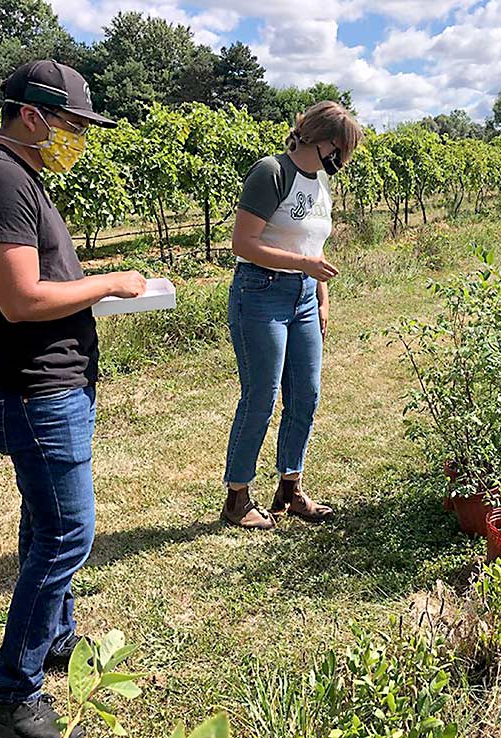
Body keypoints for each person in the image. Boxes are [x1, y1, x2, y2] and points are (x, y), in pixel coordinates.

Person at [0, 60, 146, 737]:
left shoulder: (16, 176)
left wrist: (88, 286)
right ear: (31, 114)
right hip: (37, 392)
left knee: (43, 522)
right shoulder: (0, 178)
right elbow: (21, 298)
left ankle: (54, 636)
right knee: (67, 534)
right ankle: (12, 696)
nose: (77, 137)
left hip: (44, 386)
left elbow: (38, 282)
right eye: (71, 124)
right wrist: (109, 282)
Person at [221, 101, 364, 530]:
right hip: (261, 294)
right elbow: (242, 244)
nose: (344, 159)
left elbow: (312, 247)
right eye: (343, 149)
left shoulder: (321, 183)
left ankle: (290, 487)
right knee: (261, 396)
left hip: (303, 297)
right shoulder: (271, 172)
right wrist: (303, 267)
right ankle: (237, 497)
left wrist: (320, 295)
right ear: (324, 141)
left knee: (306, 394)